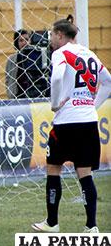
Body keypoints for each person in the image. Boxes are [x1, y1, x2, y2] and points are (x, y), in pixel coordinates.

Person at [31, 15, 111, 233]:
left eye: (51, 35)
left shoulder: (60, 53)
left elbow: (57, 78)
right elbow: (108, 83)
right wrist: (91, 105)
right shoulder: (91, 54)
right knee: (85, 174)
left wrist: (55, 104)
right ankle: (91, 226)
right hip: (88, 122)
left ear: (60, 35)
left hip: (66, 123)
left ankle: (52, 223)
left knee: (53, 169)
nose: (50, 40)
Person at [5, 29, 30, 98]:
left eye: (27, 39)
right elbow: (8, 79)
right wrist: (10, 93)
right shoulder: (11, 60)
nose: (24, 43)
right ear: (16, 43)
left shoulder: (37, 57)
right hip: (17, 96)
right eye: (21, 40)